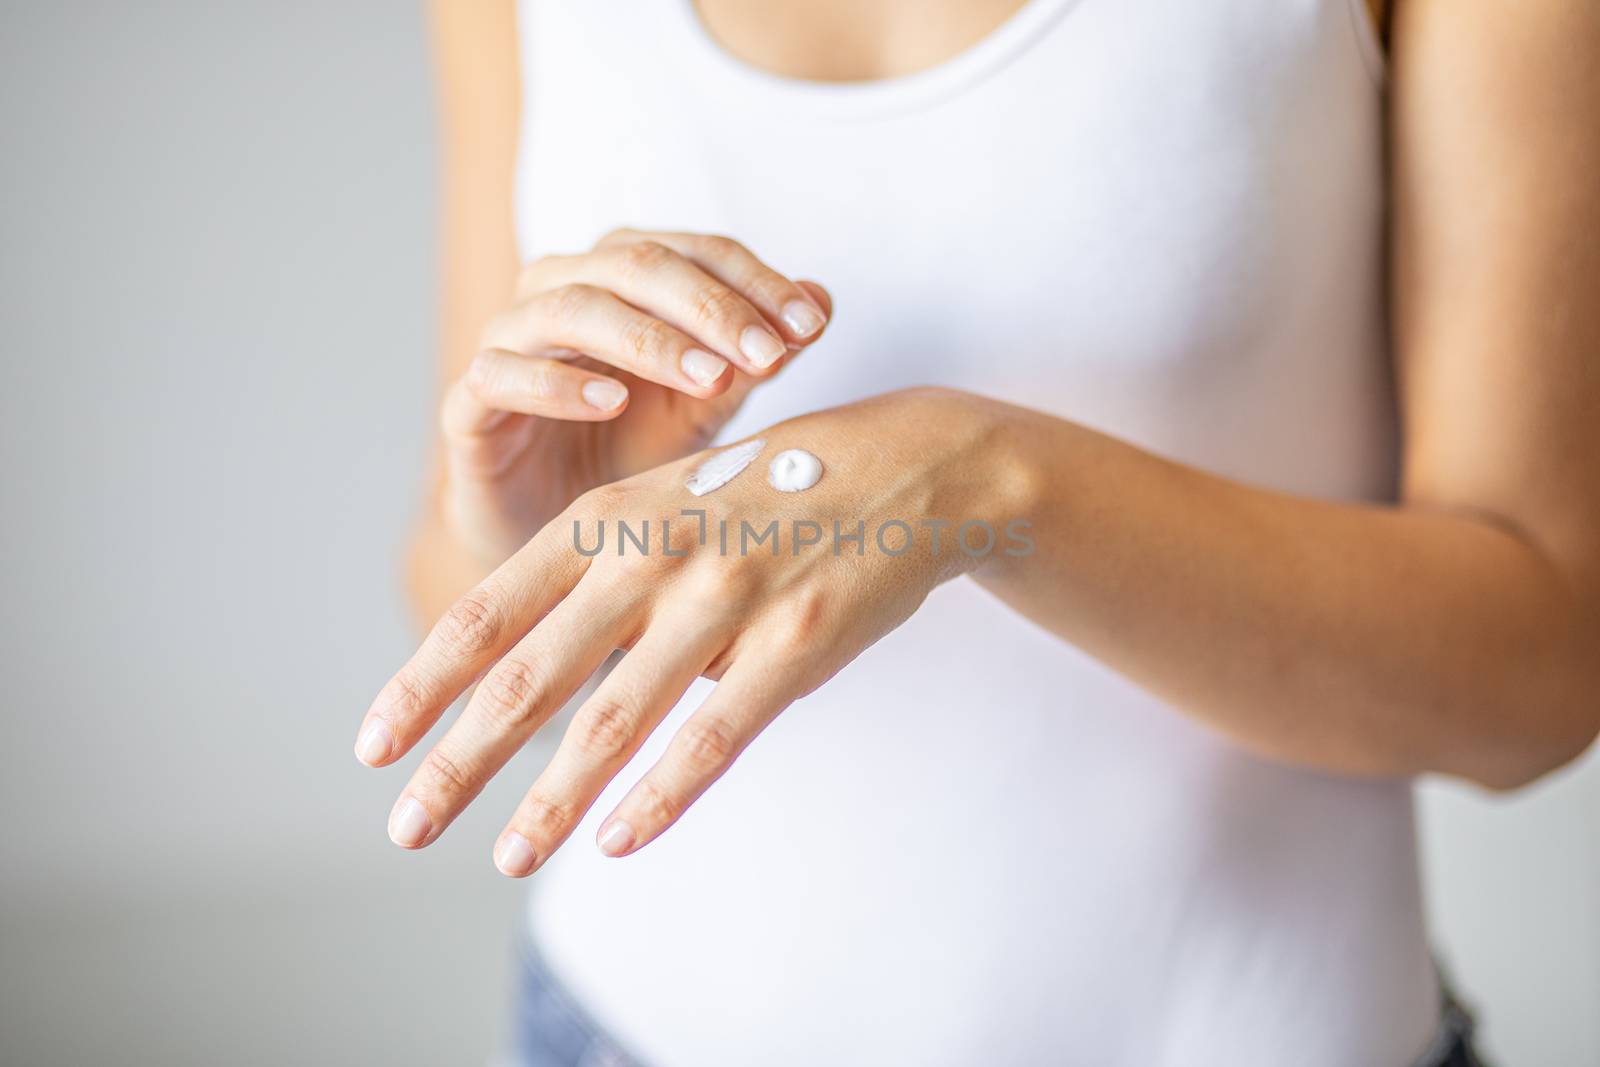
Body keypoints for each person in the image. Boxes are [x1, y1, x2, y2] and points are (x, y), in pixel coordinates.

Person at [354, 1, 1600, 1063]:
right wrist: (553, 535)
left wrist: (989, 485)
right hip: (618, 1026)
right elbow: (452, 583)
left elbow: (1538, 675)